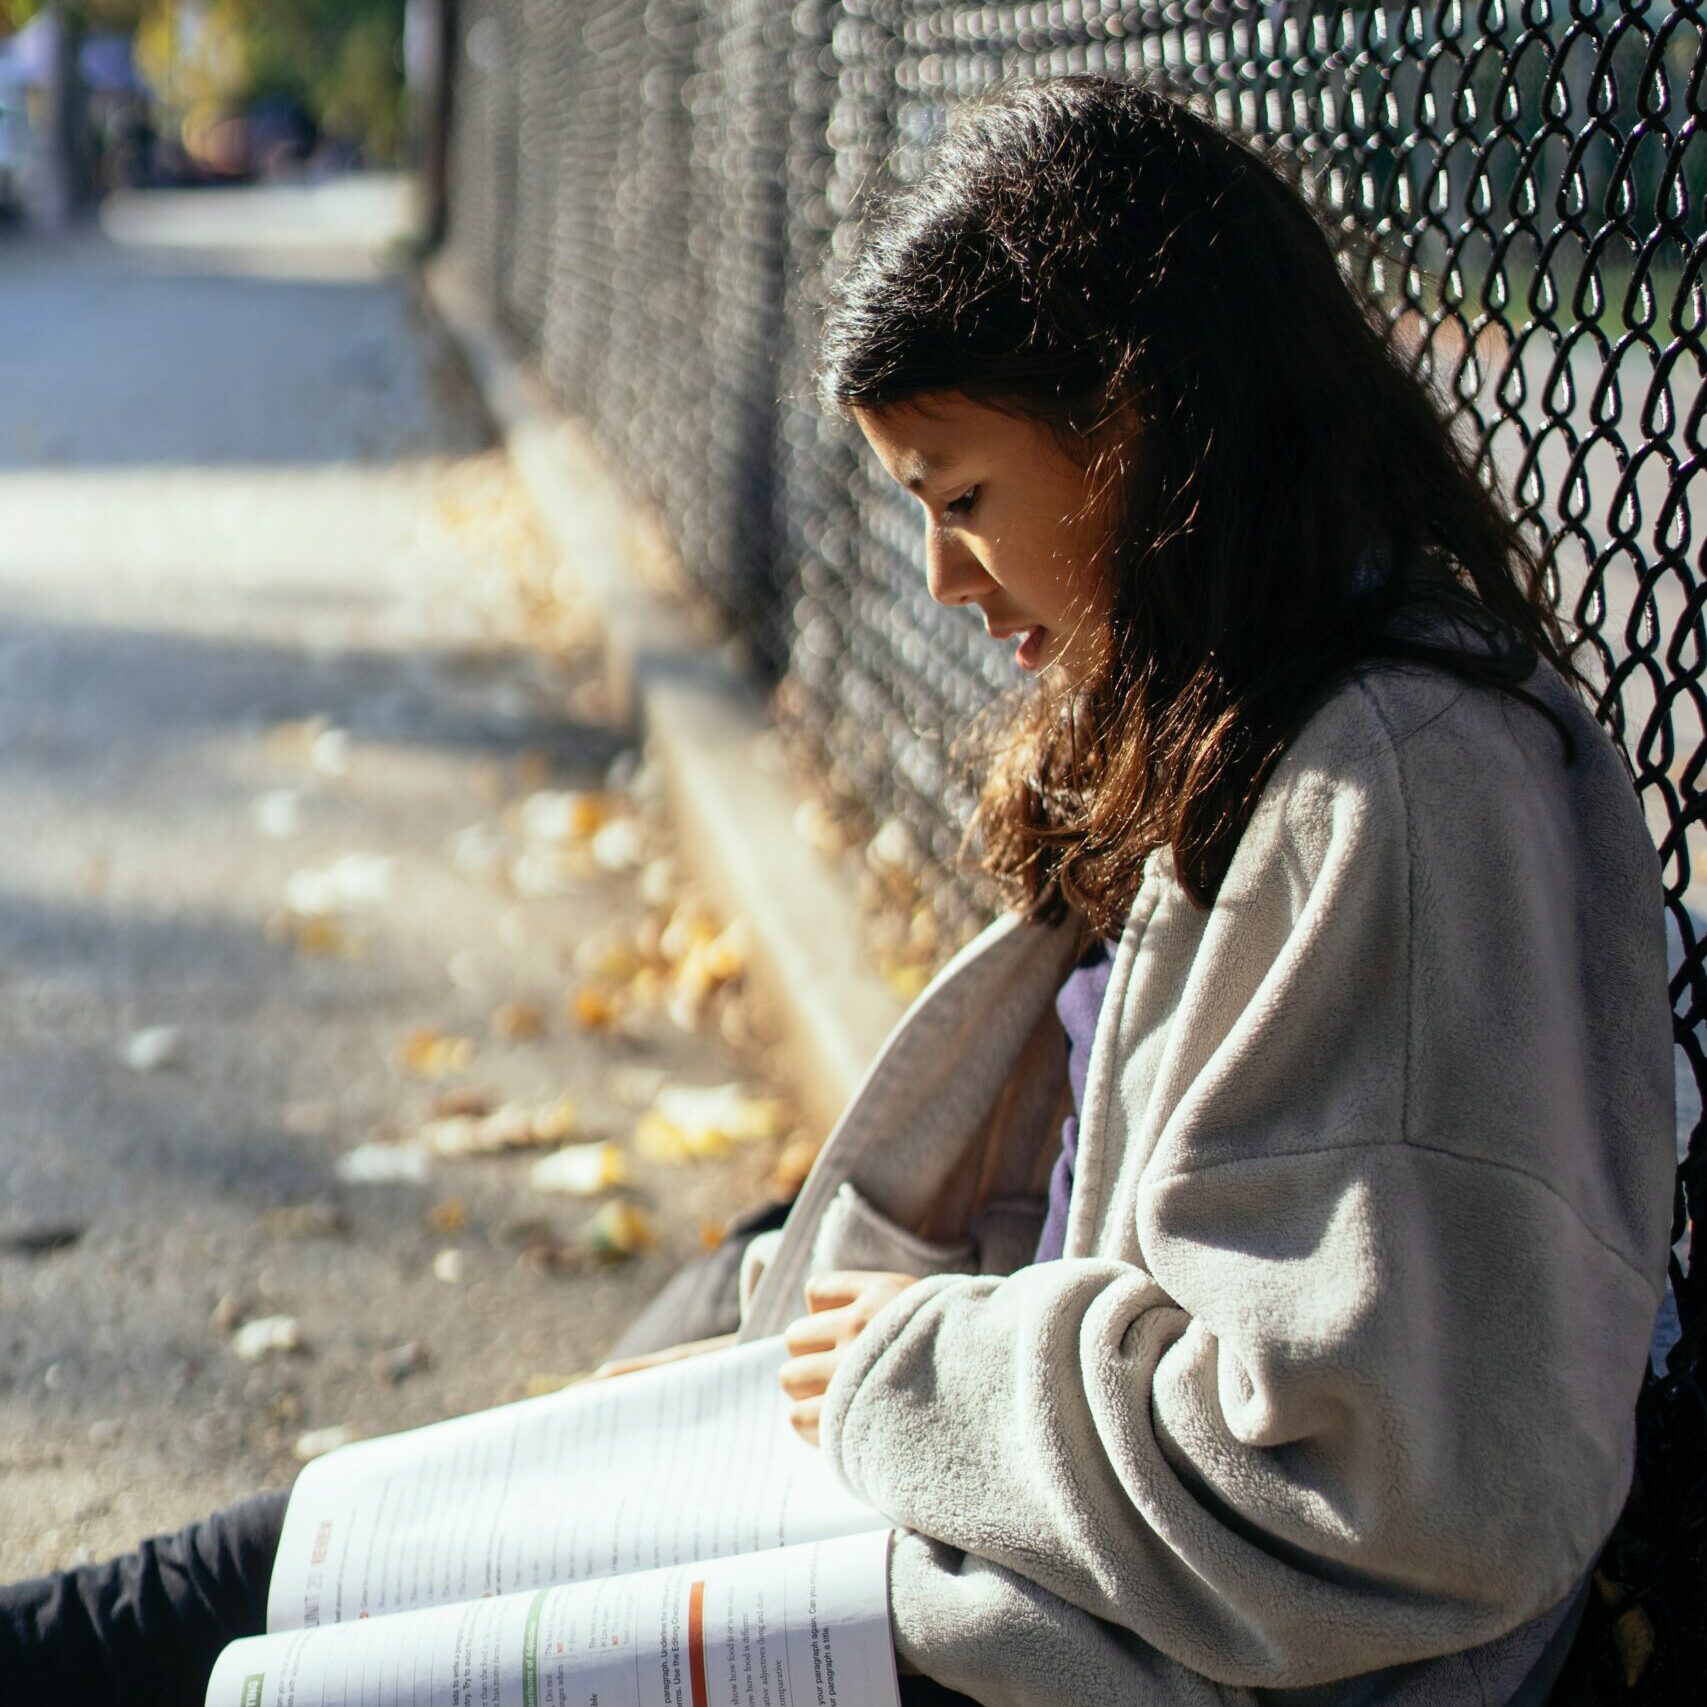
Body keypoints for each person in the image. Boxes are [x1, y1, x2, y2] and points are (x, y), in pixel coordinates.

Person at [0, 73, 1677, 1707]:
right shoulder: (1248, 711)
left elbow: (1377, 1488)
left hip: (1101, 1624)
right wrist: (786, 1326)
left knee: (290, 1650)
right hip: (1026, 1546)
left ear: (1145, 430)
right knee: (294, 1563)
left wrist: (903, 1360)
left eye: (964, 499)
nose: (945, 577)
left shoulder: (1390, 781)